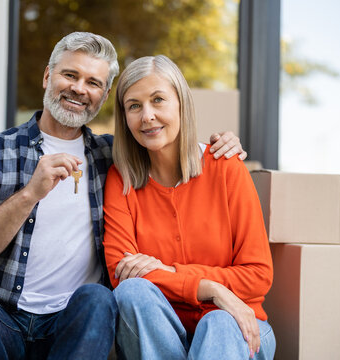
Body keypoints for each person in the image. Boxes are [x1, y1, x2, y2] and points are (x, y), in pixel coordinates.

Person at [0, 32, 246, 360]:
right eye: (70, 75)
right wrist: (31, 194)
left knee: (97, 298)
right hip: (2, 316)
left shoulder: (114, 156)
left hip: (74, 322)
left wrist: (219, 146)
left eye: (93, 82)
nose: (80, 88)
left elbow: (165, 141)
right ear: (47, 76)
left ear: (105, 95)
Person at [103, 54, 275, 360]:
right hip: (158, 336)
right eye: (134, 106)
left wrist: (168, 272)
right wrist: (211, 288)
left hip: (238, 327)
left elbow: (258, 275)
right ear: (125, 117)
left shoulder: (226, 168)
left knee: (218, 322)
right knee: (132, 292)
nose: (147, 116)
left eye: (158, 100)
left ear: (181, 103)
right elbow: (121, 272)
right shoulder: (122, 179)